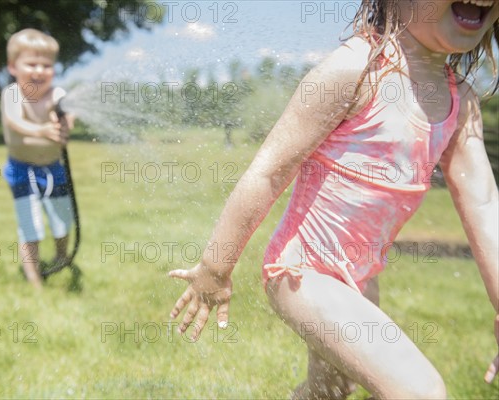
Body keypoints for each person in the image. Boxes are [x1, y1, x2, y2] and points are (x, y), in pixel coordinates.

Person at [168, 1, 499, 398]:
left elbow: (484, 205)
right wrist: (215, 267)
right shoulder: (356, 69)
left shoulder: (459, 102)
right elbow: (269, 172)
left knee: (328, 392)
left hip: (360, 278)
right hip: (303, 272)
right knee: (419, 391)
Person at [1, 28, 74, 289]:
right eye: (31, 63)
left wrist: (66, 122)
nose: (40, 70)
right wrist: (41, 130)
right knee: (29, 226)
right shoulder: (12, 95)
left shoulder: (56, 95)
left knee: (63, 222)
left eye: (47, 65)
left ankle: (62, 256)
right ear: (13, 66)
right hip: (21, 170)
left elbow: (69, 116)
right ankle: (34, 280)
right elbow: (15, 121)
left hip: (53, 169)